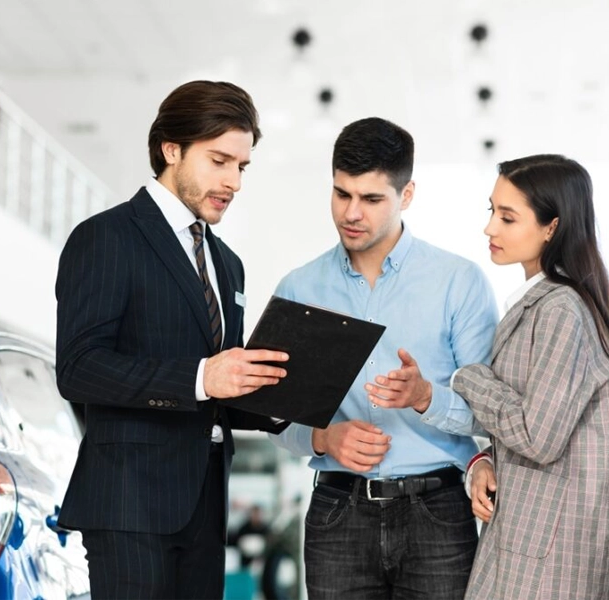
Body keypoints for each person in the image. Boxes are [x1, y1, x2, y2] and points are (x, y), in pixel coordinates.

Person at [54, 80, 290, 600]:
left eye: (241, 167)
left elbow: (221, 388)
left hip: (205, 501)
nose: (234, 182)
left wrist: (284, 394)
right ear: (171, 150)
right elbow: (79, 367)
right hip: (129, 504)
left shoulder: (228, 264)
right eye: (219, 161)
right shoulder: (107, 238)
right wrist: (202, 376)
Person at [269, 117, 499, 599]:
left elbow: (489, 416)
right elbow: (277, 420)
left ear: (406, 195)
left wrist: (425, 398)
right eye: (341, 194)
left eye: (371, 199)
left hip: (438, 515)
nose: (351, 213)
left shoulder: (458, 282)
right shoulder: (299, 289)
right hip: (337, 514)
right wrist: (322, 437)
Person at [454, 154, 609, 599]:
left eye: (508, 217)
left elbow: (537, 435)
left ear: (551, 228)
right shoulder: (546, 303)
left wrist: (469, 377)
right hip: (528, 541)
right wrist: (484, 461)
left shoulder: (561, 309)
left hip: (550, 560)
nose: (490, 229)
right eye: (492, 211)